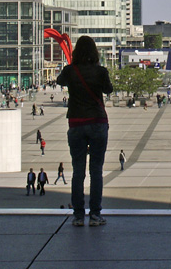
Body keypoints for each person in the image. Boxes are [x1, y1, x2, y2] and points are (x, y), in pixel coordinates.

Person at [57, 36, 114, 227]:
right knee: (96, 170)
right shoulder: (100, 71)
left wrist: (72, 68)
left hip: (76, 123)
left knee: (78, 171)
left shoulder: (70, 71)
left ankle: (79, 216)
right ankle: (96, 215)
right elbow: (109, 90)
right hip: (97, 121)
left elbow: (60, 81)